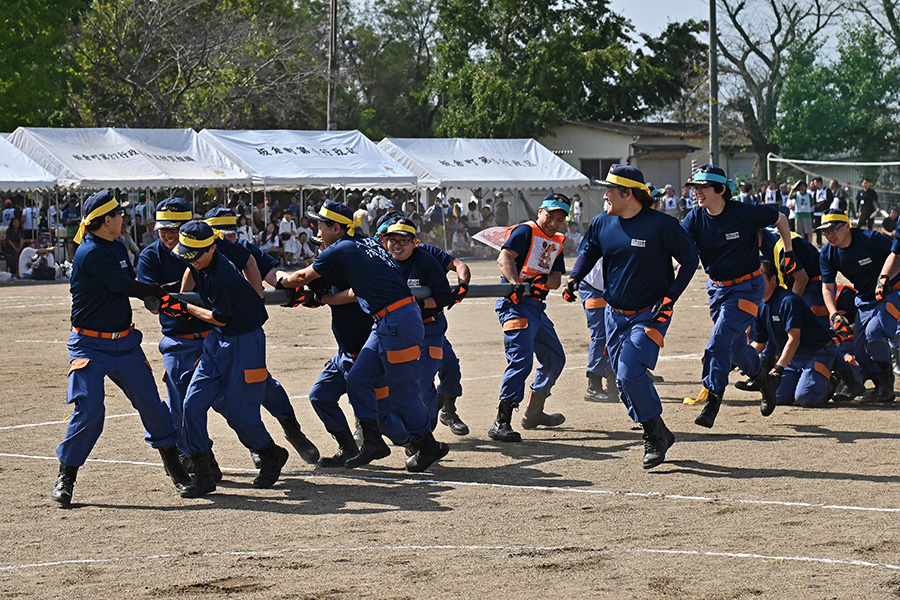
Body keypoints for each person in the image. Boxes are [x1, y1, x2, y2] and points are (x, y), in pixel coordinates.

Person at [276, 200, 449, 472]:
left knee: (403, 395)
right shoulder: (363, 243)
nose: (315, 228)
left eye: (319, 224)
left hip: (398, 320)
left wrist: (280, 281)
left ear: (335, 227)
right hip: (386, 321)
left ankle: (428, 445)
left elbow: (299, 278)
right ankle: (372, 441)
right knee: (357, 378)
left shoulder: (340, 248)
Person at [50, 190, 190, 507]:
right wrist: (161, 291)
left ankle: (175, 468)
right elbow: (128, 287)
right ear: (106, 220)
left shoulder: (115, 246)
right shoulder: (92, 253)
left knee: (152, 405)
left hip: (124, 343)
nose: (124, 218)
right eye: (120, 214)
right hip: (89, 345)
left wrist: (162, 291)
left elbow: (132, 283)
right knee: (90, 410)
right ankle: (66, 475)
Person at [563, 165, 699, 468]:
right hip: (614, 314)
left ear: (628, 193)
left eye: (610, 189)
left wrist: (670, 297)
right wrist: (574, 278)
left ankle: (652, 434)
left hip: (650, 314)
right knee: (624, 384)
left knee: (629, 372)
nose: (605, 194)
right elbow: (589, 250)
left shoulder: (661, 225)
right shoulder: (602, 222)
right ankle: (659, 429)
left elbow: (690, 260)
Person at [168, 221, 291, 497]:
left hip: (244, 342)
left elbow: (220, 318)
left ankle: (270, 453)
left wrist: (183, 306)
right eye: (187, 254)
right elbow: (192, 272)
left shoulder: (221, 274)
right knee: (192, 404)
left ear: (212, 248)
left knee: (240, 414)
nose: (190, 259)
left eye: (195, 255)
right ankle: (203, 474)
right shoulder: (200, 260)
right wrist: (177, 294)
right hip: (217, 341)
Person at [681, 164, 795, 428]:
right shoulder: (695, 219)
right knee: (735, 348)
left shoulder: (744, 212)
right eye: (694, 188)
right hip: (717, 289)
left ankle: (712, 399)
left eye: (702, 187)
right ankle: (764, 380)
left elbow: (781, 219)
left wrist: (787, 253)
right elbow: (678, 246)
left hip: (747, 288)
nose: (697, 192)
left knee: (718, 343)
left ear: (720, 190)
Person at [490, 193, 570, 442]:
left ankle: (534, 412)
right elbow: (504, 258)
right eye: (550, 216)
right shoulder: (525, 231)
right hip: (515, 305)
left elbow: (556, 280)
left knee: (555, 358)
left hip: (535, 306)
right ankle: (501, 421)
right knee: (521, 362)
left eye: (559, 219)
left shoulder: (557, 240)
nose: (553, 223)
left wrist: (541, 281)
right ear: (540, 211)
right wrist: (516, 283)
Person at [381, 218, 453, 425]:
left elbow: (443, 296)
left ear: (414, 242)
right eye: (393, 240)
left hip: (428, 328)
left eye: (404, 241)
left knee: (423, 380)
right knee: (385, 379)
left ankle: (427, 430)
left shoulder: (426, 261)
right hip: (395, 329)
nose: (397, 245)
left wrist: (413, 306)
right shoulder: (382, 261)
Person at [819, 209, 896, 402]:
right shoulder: (828, 253)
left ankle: (887, 376)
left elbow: (897, 254)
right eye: (825, 232)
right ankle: (879, 382)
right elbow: (827, 288)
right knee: (860, 350)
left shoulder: (871, 239)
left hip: (891, 293)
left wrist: (886, 281)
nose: (830, 235)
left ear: (847, 226)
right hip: (864, 299)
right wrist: (834, 314)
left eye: (834, 229)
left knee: (874, 332)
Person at [750, 260, 838, 408]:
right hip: (794, 357)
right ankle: (806, 379)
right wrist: (736, 359)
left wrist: (778, 369)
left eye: (759, 277)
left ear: (773, 279)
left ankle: (831, 380)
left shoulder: (788, 301)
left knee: (806, 398)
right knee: (779, 397)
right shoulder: (759, 305)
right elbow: (759, 343)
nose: (754, 282)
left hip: (817, 352)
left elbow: (794, 339)